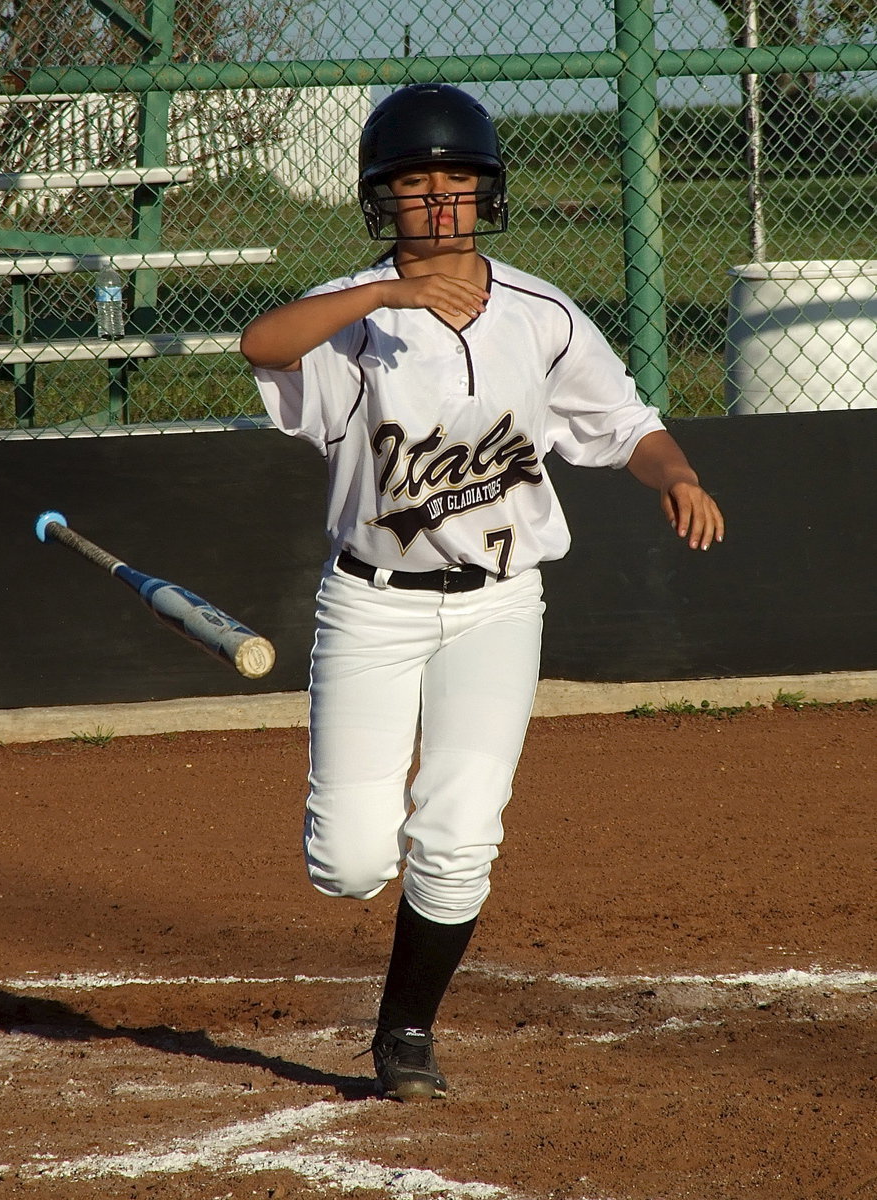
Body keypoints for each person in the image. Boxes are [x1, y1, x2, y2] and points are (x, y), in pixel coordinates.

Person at [240, 83, 724, 1102]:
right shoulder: (347, 319)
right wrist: (379, 295)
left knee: (460, 834)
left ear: (485, 192)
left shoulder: (539, 315)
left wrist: (673, 472)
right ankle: (363, 871)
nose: (437, 202)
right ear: (381, 201)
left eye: (455, 182)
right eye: (413, 184)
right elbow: (259, 346)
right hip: (373, 603)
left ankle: (404, 1035)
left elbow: (624, 422)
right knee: (348, 863)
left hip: (500, 601)